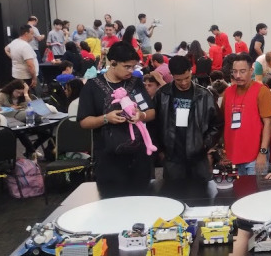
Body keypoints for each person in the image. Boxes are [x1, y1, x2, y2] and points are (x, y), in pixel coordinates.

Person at [77, 42, 156, 195]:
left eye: (133, 67)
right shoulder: (92, 87)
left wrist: (141, 115)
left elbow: (151, 112)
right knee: (112, 202)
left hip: (138, 158)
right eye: (127, 67)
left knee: (142, 201)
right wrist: (106, 118)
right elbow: (84, 122)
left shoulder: (135, 83)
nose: (131, 71)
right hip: (108, 160)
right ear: (113, 63)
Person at [154, 55, 223, 184]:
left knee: (201, 191)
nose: (184, 83)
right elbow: (155, 124)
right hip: (172, 156)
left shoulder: (204, 95)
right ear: (172, 75)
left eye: (187, 78)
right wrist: (160, 149)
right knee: (174, 192)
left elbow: (217, 123)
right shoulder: (162, 94)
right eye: (179, 80)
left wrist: (205, 143)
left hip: (198, 156)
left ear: (191, 71)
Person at [221, 52, 271, 175]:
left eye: (242, 71)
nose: (238, 75)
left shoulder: (262, 91)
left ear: (251, 70)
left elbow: (268, 124)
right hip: (233, 155)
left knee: (255, 187)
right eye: (234, 71)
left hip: (255, 156)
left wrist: (263, 152)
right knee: (238, 187)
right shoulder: (228, 92)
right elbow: (224, 122)